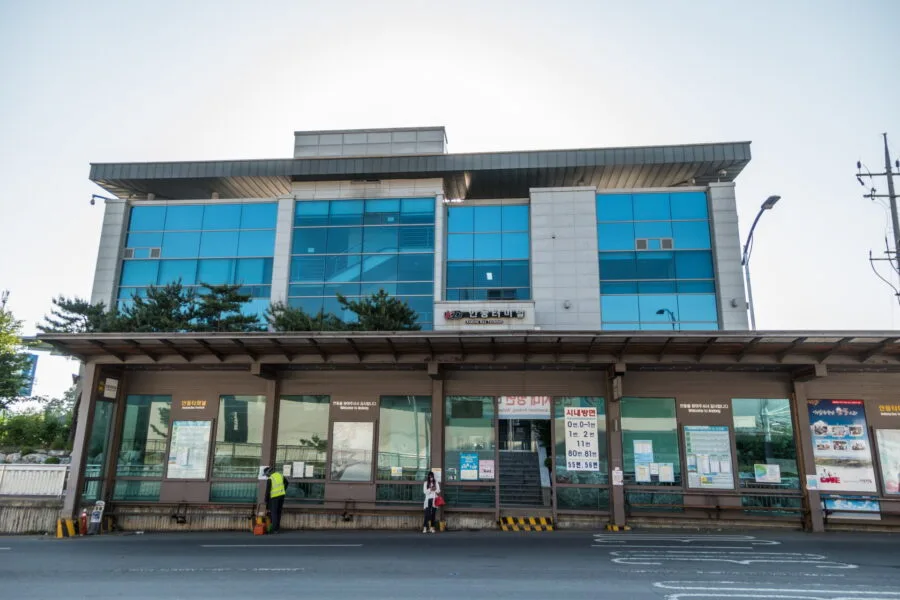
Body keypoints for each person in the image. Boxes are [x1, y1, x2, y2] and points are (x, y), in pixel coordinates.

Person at [264, 466, 288, 533]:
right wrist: (283, 490)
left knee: (274, 513)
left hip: (274, 497)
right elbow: (287, 483)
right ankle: (277, 528)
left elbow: (267, 491)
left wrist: (265, 500)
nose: (266, 476)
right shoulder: (280, 475)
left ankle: (274, 529)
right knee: (278, 512)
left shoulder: (270, 478)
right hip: (281, 496)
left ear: (268, 472)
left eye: (266, 474)